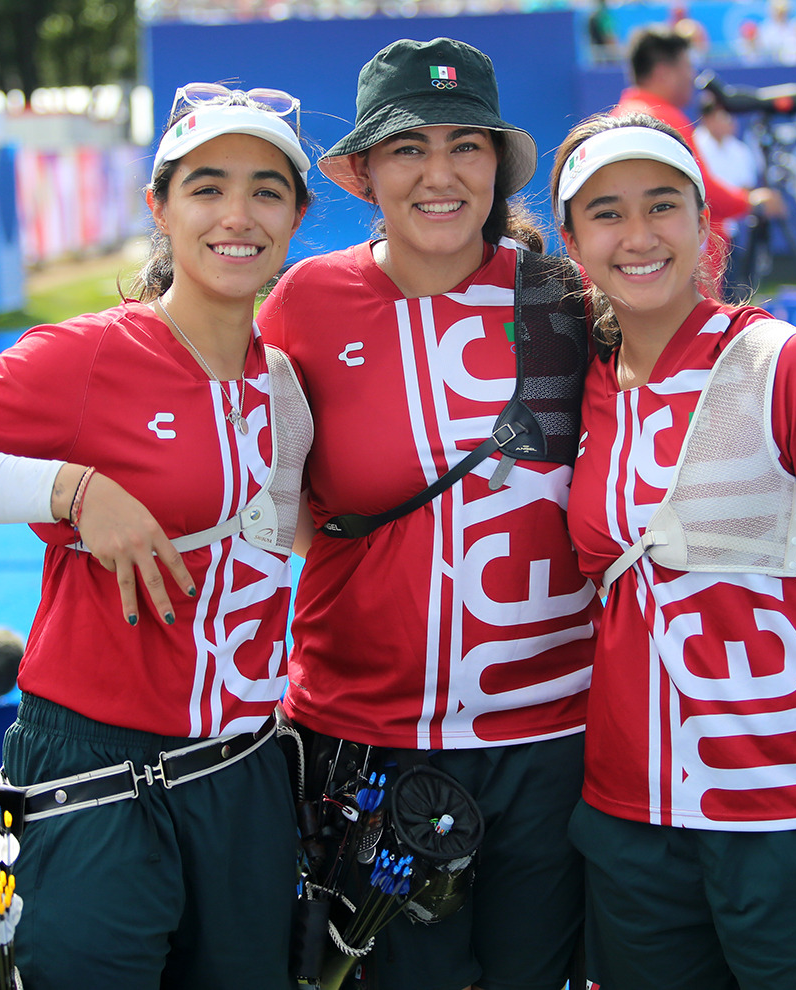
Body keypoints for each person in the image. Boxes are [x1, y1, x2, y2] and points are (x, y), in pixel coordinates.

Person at [0, 81, 313, 988]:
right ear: (160, 206)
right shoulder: (90, 354)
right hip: (97, 779)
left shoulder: (291, 382)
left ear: (299, 212)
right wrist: (73, 489)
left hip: (249, 776)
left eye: (267, 189)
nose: (239, 214)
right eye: (207, 186)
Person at [551, 111, 796, 990]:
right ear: (572, 239)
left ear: (704, 223)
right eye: (607, 213)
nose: (639, 236)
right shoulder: (578, 388)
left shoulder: (789, 364)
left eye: (663, 206)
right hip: (629, 820)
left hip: (791, 806)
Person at [257, 37, 597, 990]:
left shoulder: (567, 302)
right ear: (363, 172)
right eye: (409, 149)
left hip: (549, 740)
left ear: (498, 167)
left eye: (467, 147)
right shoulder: (304, 302)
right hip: (366, 737)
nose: (439, 175)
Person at [617, 26, 782, 284]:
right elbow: (705, 194)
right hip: (676, 271)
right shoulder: (664, 118)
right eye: (686, 67)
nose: (691, 76)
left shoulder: (620, 115)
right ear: (663, 72)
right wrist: (753, 202)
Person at [691, 87, 763, 291]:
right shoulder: (693, 145)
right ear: (707, 118)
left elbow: (746, 189)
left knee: (731, 291)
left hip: (731, 233)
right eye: (722, 116)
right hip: (698, 230)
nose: (729, 121)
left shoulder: (740, 151)